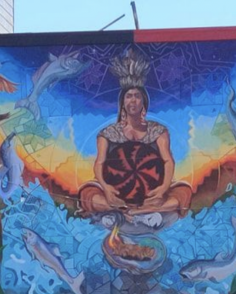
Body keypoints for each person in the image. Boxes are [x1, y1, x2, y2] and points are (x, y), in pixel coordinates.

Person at [78, 50, 191, 222]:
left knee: (184, 193)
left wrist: (162, 189)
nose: (133, 101)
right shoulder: (107, 134)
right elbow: (99, 163)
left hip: (152, 193)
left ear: (143, 101)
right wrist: (107, 188)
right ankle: (126, 209)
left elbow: (168, 161)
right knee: (87, 195)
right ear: (122, 102)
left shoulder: (158, 131)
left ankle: (139, 210)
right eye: (129, 96)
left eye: (137, 96)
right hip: (116, 194)